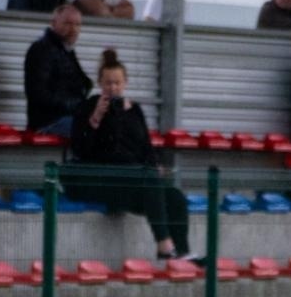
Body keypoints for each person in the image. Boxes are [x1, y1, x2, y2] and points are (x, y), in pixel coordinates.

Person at [65, 49, 202, 264]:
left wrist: (155, 165)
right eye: (108, 83)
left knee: (174, 196)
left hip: (134, 179)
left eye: (117, 83)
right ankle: (164, 245)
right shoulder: (89, 107)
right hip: (103, 178)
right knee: (149, 180)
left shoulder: (135, 110)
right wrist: (96, 118)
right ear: (100, 84)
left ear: (125, 83)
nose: (113, 88)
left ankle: (182, 251)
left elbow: (146, 146)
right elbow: (80, 148)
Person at [23, 4, 91, 135]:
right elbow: (38, 94)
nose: (74, 29)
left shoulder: (65, 50)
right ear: (53, 23)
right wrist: (76, 105)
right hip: (48, 122)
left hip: (64, 119)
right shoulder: (42, 49)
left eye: (78, 25)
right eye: (68, 23)